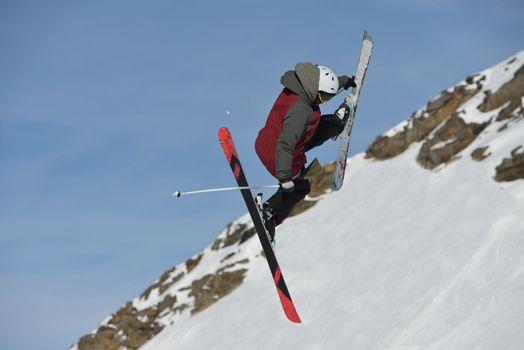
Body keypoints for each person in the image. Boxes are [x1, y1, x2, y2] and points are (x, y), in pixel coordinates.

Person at [255, 62, 356, 240]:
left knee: (318, 127)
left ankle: (336, 123)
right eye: (323, 97)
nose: (323, 101)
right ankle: (269, 215)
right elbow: (285, 144)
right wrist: (285, 177)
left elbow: (319, 82)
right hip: (279, 155)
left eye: (328, 97)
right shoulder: (301, 111)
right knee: (300, 187)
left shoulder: (300, 84)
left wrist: (344, 82)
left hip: (267, 142)